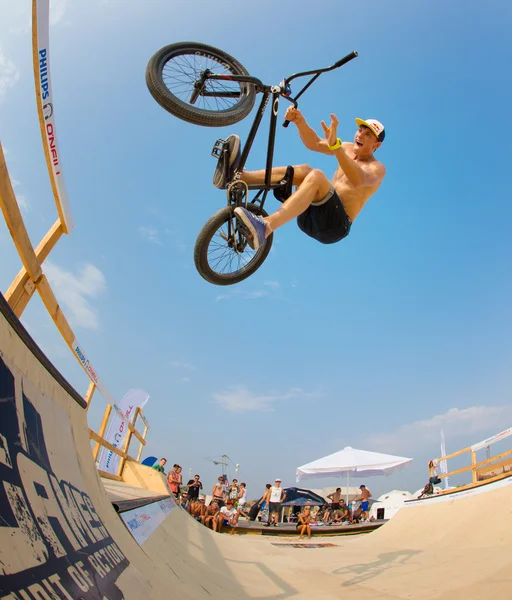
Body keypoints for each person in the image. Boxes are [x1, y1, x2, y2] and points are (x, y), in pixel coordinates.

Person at [214, 111, 386, 250]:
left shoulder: (376, 168)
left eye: (368, 135)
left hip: (335, 227)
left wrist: (335, 146)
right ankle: (239, 177)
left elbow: (358, 179)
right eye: (360, 130)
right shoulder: (346, 148)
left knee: (317, 176)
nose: (361, 135)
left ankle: (264, 227)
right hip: (309, 218)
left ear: (376, 145)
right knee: (306, 170)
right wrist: (300, 121)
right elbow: (315, 143)